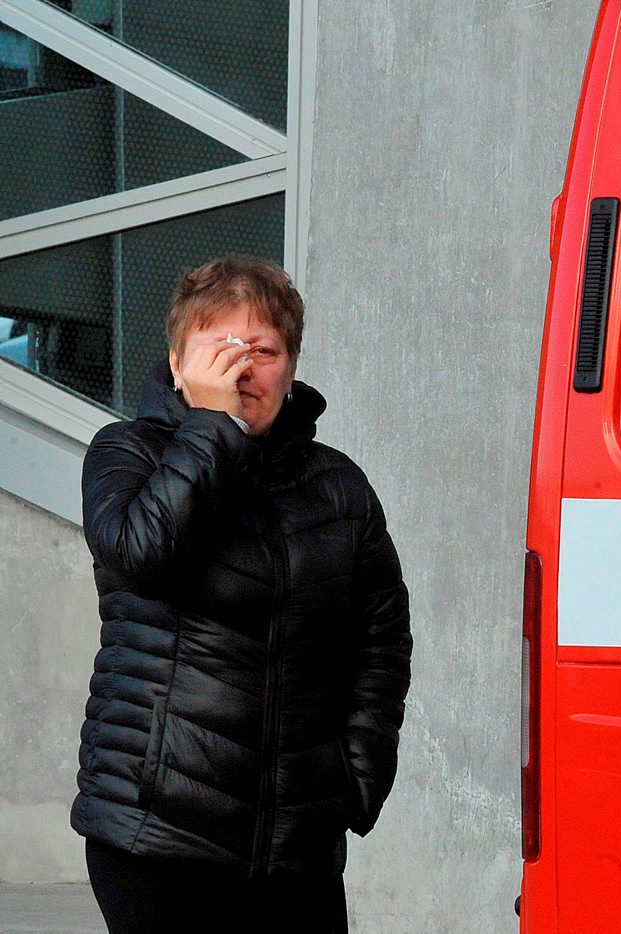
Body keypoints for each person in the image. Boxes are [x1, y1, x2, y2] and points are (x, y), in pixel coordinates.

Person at [71, 256, 412, 933]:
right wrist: (211, 428)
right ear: (177, 362)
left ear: (291, 367)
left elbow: (381, 639)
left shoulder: (337, 486)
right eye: (220, 347)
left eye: (264, 350)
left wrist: (355, 778)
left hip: (297, 845)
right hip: (157, 831)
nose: (243, 368)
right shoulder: (125, 454)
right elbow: (144, 554)